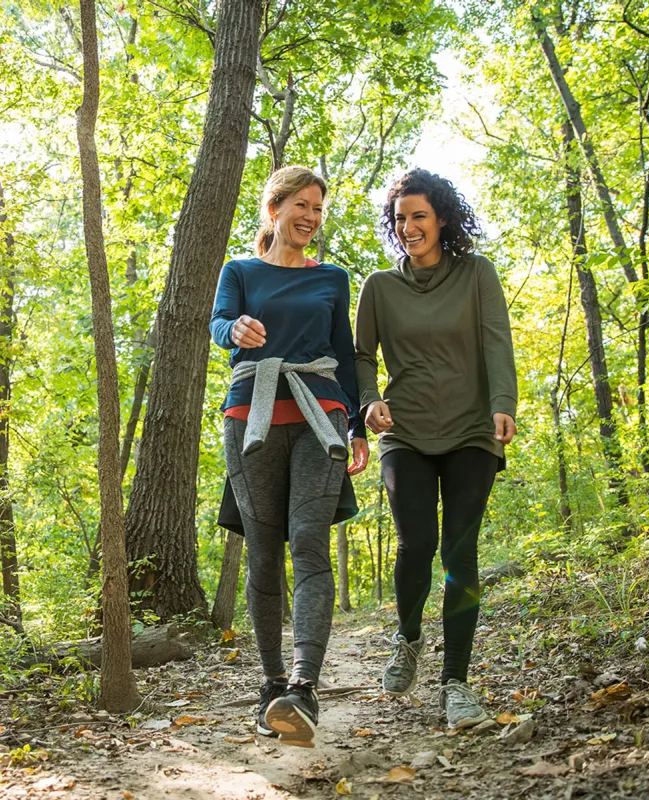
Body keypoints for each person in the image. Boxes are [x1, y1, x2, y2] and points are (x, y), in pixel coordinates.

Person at [210, 166, 369, 748]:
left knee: (308, 541)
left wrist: (355, 423)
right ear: (274, 209)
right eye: (301, 205)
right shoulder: (240, 271)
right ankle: (270, 685)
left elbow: (343, 357)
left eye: (318, 209)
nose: (310, 217)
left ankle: (303, 687)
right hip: (249, 416)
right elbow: (218, 323)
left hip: (319, 416)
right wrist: (236, 331)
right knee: (263, 552)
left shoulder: (332, 278)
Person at [354, 169, 517, 730]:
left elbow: (497, 338)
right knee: (416, 542)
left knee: (459, 552)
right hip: (406, 431)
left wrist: (503, 403)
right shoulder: (379, 287)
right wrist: (369, 401)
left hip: (473, 429)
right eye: (400, 219)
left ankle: (456, 684)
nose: (408, 228)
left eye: (419, 216)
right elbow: (361, 357)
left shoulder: (476, 274)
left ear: (442, 218)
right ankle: (409, 635)